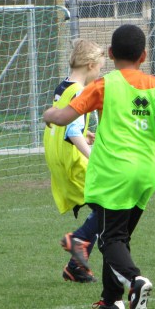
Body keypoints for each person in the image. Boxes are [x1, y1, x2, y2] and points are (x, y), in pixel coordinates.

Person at [43, 24, 155, 309]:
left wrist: (48, 113)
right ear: (145, 55)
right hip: (146, 174)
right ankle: (111, 300)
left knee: (109, 239)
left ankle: (135, 281)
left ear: (111, 54)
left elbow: (65, 116)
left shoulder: (104, 85)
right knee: (117, 238)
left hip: (113, 174)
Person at [43, 39, 106, 283]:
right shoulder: (81, 91)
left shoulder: (63, 86)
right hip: (73, 159)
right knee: (109, 206)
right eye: (100, 67)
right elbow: (71, 130)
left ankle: (76, 268)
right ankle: (77, 240)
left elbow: (66, 123)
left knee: (102, 207)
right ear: (90, 65)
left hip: (58, 155)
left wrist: (84, 134)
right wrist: (93, 158)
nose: (100, 73)